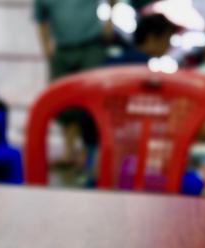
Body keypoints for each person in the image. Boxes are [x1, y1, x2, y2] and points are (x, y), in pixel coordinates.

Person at [34, 0, 116, 168]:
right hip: (62, 49)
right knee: (63, 103)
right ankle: (69, 150)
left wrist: (109, 21)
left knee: (93, 99)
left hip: (91, 45)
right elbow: (40, 18)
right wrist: (46, 46)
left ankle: (90, 151)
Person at [106, 13, 179, 65]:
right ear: (151, 39)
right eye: (167, 39)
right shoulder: (139, 64)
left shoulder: (121, 58)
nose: (169, 45)